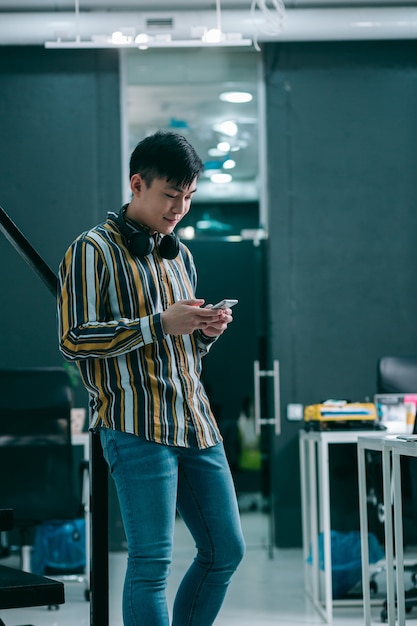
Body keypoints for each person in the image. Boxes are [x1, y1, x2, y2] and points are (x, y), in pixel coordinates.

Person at [57, 130, 245, 626]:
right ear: (137, 184)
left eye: (188, 197)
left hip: (196, 422)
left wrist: (205, 330)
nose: (179, 208)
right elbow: (74, 339)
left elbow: (182, 350)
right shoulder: (91, 251)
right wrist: (159, 322)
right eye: (170, 195)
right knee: (150, 565)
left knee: (226, 550)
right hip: (134, 423)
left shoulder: (180, 256)